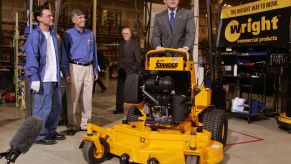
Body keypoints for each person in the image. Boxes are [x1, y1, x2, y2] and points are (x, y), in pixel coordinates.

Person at [25, 6, 65, 145]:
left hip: (54, 77)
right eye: (48, 16)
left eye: (51, 15)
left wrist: (58, 70)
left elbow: (54, 56)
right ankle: (38, 135)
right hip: (43, 79)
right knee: (42, 108)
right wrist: (34, 78)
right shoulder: (35, 36)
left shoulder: (53, 34)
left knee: (56, 107)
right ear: (39, 18)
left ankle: (50, 131)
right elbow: (32, 58)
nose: (52, 17)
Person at [61, 9, 98, 135]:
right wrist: (66, 72)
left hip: (88, 68)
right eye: (80, 17)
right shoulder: (68, 34)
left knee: (87, 98)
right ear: (74, 20)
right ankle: (72, 124)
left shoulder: (90, 34)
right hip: (74, 67)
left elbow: (94, 53)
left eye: (84, 17)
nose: (83, 20)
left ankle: (85, 124)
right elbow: (64, 54)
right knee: (73, 98)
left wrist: (95, 69)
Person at [113, 27, 142, 114]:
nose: (125, 35)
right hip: (122, 70)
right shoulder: (121, 43)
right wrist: (117, 68)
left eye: (126, 33)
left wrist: (133, 69)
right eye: (123, 34)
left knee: (133, 91)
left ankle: (137, 111)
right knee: (119, 91)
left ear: (130, 34)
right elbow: (120, 58)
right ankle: (119, 109)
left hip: (131, 71)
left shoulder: (135, 44)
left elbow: (138, 60)